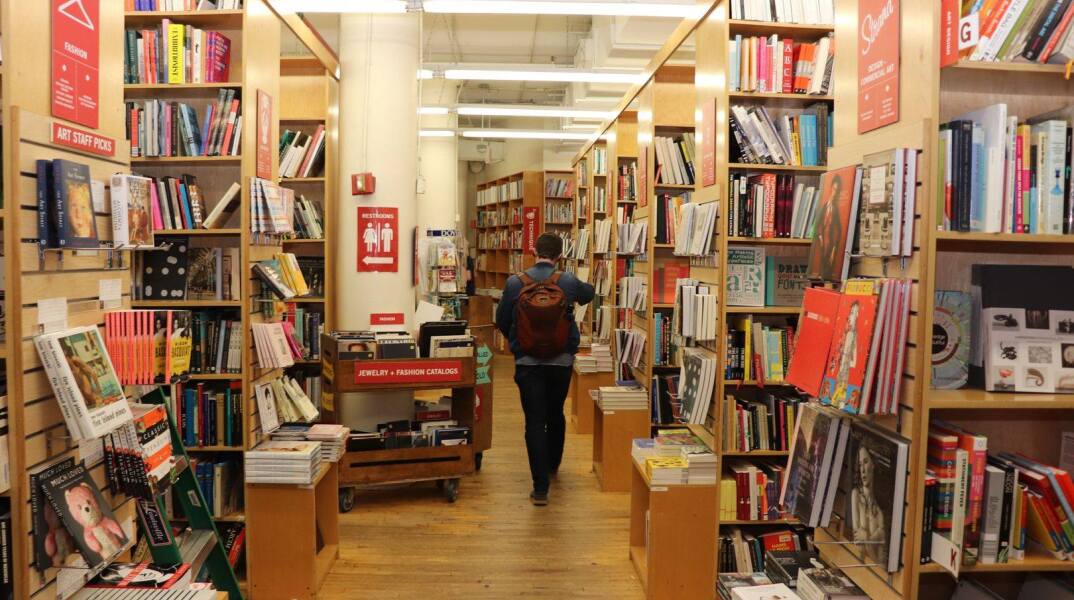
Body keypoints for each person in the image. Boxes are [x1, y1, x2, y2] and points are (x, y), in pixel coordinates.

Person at [496, 233, 594, 506]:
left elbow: (502, 320)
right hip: (561, 361)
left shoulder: (515, 282)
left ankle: (540, 488)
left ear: (534, 252)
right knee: (556, 413)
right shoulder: (567, 281)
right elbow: (591, 294)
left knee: (534, 421)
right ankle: (553, 465)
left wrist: (520, 343)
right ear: (559, 256)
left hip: (527, 364)